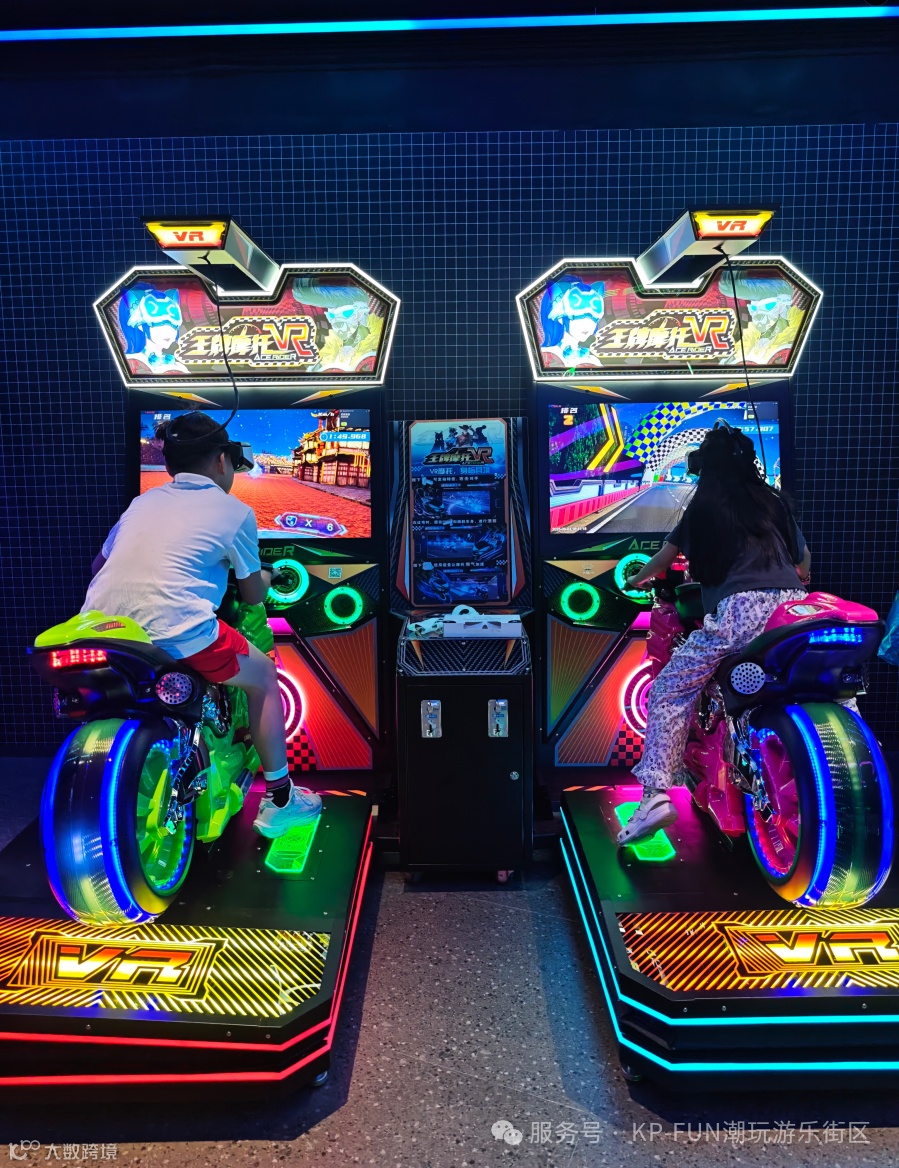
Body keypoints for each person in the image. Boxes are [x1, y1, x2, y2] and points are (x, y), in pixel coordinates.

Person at [82, 411, 321, 838]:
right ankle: (281, 799)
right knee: (265, 678)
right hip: (179, 631)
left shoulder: (142, 503)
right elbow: (252, 595)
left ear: (169, 464)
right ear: (222, 460)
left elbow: (99, 565)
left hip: (102, 627)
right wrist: (267, 576)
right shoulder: (235, 511)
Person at [617, 423, 810, 846]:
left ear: (702, 466)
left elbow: (663, 560)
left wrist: (636, 580)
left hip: (740, 613)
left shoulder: (704, 506)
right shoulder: (772, 502)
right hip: (794, 612)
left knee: (669, 690)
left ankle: (655, 796)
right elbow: (804, 562)